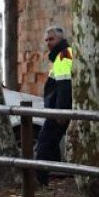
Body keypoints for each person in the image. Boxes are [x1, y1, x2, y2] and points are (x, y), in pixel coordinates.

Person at [34, 26, 74, 186]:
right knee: (50, 144)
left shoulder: (64, 56)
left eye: (51, 39)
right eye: (46, 40)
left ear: (60, 39)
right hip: (55, 110)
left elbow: (65, 86)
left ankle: (40, 180)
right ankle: (53, 176)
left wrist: (61, 113)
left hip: (57, 111)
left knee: (44, 143)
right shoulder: (60, 56)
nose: (48, 43)